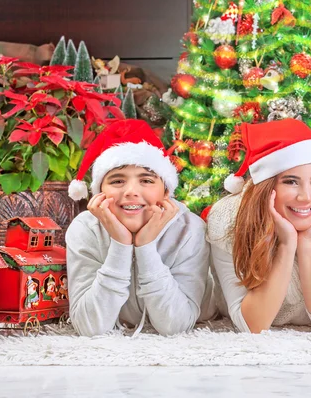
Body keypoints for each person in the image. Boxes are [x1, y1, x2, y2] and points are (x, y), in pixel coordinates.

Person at [206, 119, 311, 333]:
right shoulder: (228, 219)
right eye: (291, 181)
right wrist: (286, 244)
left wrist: (306, 243)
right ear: (266, 187)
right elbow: (252, 325)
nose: (306, 197)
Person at [66, 119, 214, 337]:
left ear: (166, 192)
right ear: (98, 192)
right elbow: (90, 327)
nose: (131, 191)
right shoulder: (85, 229)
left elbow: (176, 326)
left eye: (146, 180)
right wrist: (120, 244)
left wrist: (145, 247)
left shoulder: (189, 229)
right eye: (117, 181)